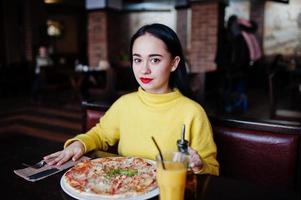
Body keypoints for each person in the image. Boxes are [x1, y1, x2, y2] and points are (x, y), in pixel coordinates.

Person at [44, 23, 219, 175]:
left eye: (155, 60)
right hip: (124, 186)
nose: (144, 70)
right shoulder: (124, 104)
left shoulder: (192, 112)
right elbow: (100, 134)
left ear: (174, 63)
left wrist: (198, 165)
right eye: (137, 60)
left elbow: (212, 169)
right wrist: (79, 144)